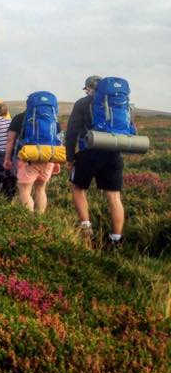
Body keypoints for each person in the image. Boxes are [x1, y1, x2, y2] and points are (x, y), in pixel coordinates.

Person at [65, 75, 125, 250]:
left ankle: (86, 229)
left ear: (89, 88)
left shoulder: (83, 103)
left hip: (88, 152)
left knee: (77, 188)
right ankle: (116, 238)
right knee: (114, 196)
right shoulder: (118, 104)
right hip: (114, 153)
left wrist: (70, 157)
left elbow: (71, 132)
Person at [3, 109, 60, 213]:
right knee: (41, 189)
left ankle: (30, 221)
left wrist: (7, 158)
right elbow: (59, 140)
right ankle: (40, 219)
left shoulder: (19, 117)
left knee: (24, 190)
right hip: (48, 157)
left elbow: (10, 140)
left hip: (27, 158)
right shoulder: (52, 118)